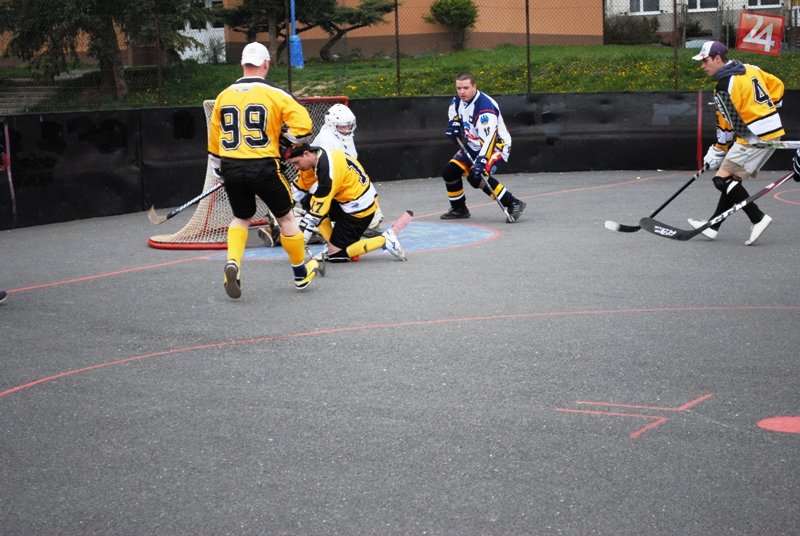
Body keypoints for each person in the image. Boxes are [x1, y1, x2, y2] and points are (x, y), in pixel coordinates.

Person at [208, 42, 320, 296]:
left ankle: (233, 263)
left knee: (241, 218)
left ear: (242, 64)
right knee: (286, 218)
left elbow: (214, 141)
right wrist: (286, 139)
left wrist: (218, 169)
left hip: (231, 166)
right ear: (266, 64)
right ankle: (300, 273)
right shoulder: (275, 94)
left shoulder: (223, 96)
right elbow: (304, 127)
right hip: (263, 166)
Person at [688, 40, 784, 246]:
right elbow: (778, 85)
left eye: (705, 61)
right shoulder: (750, 68)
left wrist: (718, 150)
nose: (702, 66)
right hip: (770, 130)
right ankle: (713, 226)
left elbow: (726, 125)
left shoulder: (723, 86)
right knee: (732, 181)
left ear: (717, 59)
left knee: (721, 180)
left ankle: (758, 218)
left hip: (753, 136)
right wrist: (768, 110)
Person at [259, 102, 384, 246]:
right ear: (332, 125)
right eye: (342, 127)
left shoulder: (345, 139)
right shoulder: (327, 141)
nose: (346, 130)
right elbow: (325, 184)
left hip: (336, 190)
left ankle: (314, 226)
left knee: (375, 218)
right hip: (321, 190)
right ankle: (297, 228)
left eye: (349, 126)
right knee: (328, 216)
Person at [283, 143, 406, 263]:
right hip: (346, 201)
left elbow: (321, 203)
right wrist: (283, 212)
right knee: (308, 201)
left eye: (296, 163)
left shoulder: (328, 169)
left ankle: (385, 240)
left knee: (336, 255)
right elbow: (300, 188)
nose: (296, 168)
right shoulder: (317, 158)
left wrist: (304, 231)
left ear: (306, 154)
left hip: (360, 212)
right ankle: (335, 243)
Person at [440, 72, 526, 223]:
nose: (462, 92)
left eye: (466, 88)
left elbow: (489, 140)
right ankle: (459, 209)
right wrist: (453, 124)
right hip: (474, 144)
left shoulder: (485, 109)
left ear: (474, 87)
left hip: (496, 146)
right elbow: (453, 113)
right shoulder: (458, 101)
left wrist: (482, 161)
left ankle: (513, 202)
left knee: (476, 176)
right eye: (459, 88)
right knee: (450, 172)